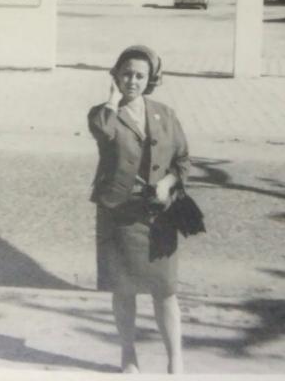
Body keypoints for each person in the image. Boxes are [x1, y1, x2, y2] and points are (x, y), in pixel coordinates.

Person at [87, 45, 190, 374]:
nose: (133, 80)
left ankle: (175, 359)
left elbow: (183, 160)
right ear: (115, 76)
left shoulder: (165, 113)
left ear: (151, 79)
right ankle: (128, 354)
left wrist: (168, 184)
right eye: (126, 74)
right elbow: (104, 134)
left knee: (166, 291)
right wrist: (112, 102)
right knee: (123, 289)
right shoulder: (102, 113)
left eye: (140, 76)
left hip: (159, 214)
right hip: (118, 214)